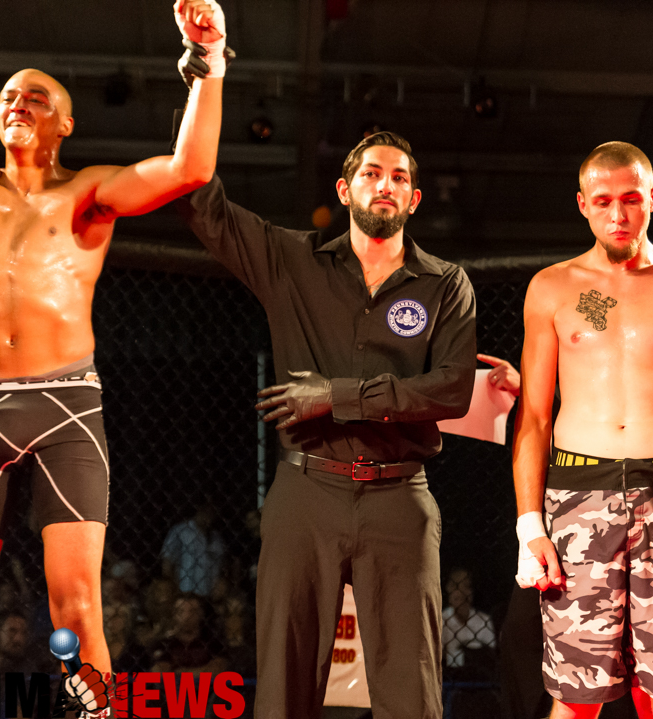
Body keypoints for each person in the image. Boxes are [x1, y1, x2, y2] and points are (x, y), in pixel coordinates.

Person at [0, 1, 225, 715]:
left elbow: (190, 168)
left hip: (65, 406)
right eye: (9, 95)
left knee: (79, 607)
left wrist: (208, 62)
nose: (18, 104)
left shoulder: (87, 192)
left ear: (65, 124)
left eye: (37, 97)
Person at [178, 123, 477, 716]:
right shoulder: (293, 259)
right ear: (345, 190)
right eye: (371, 174)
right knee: (284, 682)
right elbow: (203, 207)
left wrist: (335, 396)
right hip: (306, 489)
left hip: (400, 495)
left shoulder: (445, 283)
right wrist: (203, 91)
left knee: (411, 688)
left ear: (415, 198)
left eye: (399, 178)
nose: (385, 185)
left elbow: (451, 390)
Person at [512, 141, 653, 719]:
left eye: (631, 199)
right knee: (575, 697)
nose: (618, 214)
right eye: (604, 201)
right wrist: (529, 525)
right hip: (578, 494)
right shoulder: (552, 288)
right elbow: (534, 417)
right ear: (582, 204)